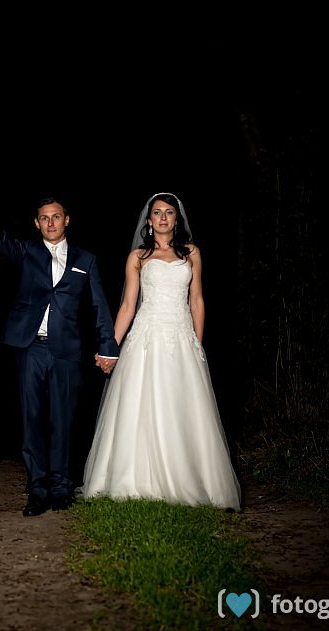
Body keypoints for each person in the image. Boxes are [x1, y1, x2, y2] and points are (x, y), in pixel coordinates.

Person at [0, 195, 119, 516]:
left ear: (66, 220)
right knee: (32, 419)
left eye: (55, 217)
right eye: (44, 218)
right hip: (30, 347)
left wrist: (108, 347)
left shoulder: (86, 260)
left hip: (66, 351)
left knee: (63, 420)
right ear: (37, 223)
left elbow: (99, 306)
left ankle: (61, 488)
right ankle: (37, 489)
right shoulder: (27, 251)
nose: (50, 223)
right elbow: (0, 241)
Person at [80, 192, 241, 510]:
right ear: (149, 220)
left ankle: (191, 479)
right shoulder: (138, 257)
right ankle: (139, 479)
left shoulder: (191, 253)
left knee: (183, 405)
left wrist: (196, 342)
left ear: (177, 219)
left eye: (169, 212)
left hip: (180, 336)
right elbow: (128, 306)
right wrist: (110, 347)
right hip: (147, 335)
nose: (163, 218)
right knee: (141, 405)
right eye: (157, 212)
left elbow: (197, 300)